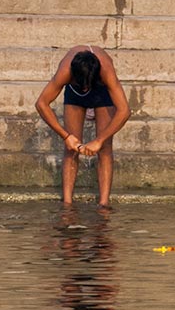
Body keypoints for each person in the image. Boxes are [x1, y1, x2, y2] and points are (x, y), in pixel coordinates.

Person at [35, 45, 131, 206]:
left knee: (105, 147)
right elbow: (41, 103)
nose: (86, 88)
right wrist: (66, 136)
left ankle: (104, 203)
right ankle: (67, 203)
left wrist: (99, 140)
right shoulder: (65, 71)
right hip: (74, 93)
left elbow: (125, 111)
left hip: (101, 91)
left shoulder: (105, 70)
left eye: (87, 85)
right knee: (71, 148)